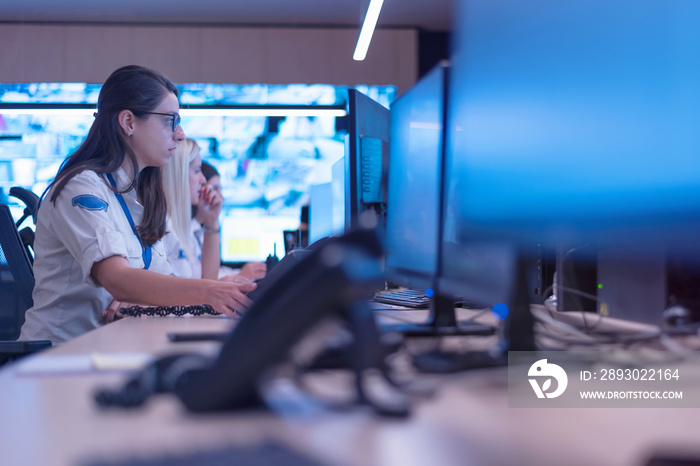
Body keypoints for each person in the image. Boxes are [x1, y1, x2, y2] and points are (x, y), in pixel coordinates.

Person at [19, 65, 255, 345]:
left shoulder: (141, 197)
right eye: (170, 121)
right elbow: (116, 279)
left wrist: (142, 300)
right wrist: (209, 291)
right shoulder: (81, 187)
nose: (179, 134)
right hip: (56, 356)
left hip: (111, 347)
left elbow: (157, 283)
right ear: (128, 122)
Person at [197, 161, 267, 281]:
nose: (220, 197)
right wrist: (238, 277)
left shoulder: (198, 229)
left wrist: (240, 274)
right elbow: (204, 283)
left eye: (220, 190)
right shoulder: (182, 231)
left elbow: (211, 275)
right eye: (214, 189)